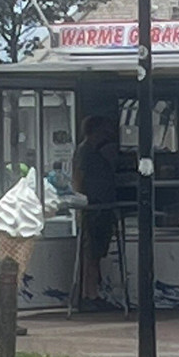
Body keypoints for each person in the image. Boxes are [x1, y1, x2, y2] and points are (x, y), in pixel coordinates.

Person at [71, 115, 120, 308]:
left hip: (101, 207)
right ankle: (88, 295)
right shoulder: (84, 151)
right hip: (92, 208)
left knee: (97, 252)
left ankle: (93, 292)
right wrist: (81, 204)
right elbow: (78, 177)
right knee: (90, 252)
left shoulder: (95, 151)